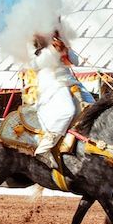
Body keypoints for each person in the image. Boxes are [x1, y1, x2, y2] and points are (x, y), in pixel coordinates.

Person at [25, 27, 83, 157]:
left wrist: (65, 49)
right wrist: (52, 51)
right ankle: (44, 149)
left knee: (91, 106)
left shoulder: (59, 40)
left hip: (70, 81)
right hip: (51, 84)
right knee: (67, 111)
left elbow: (76, 62)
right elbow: (33, 65)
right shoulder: (31, 43)